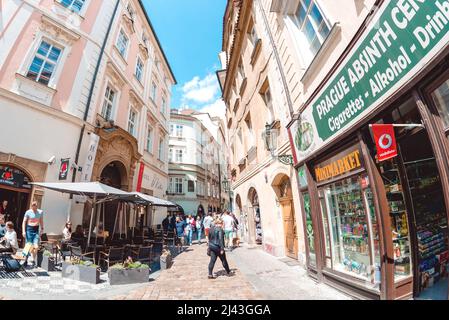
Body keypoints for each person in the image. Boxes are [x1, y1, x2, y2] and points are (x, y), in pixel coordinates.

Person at [21, 201, 44, 268]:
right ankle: (26, 260)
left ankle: (33, 260)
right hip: (29, 229)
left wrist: (42, 229)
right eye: (33, 207)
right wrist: (23, 231)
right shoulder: (28, 212)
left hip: (36, 229)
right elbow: (24, 222)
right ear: (31, 206)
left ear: (37, 206)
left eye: (35, 207)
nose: (34, 208)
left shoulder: (40, 212)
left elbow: (41, 221)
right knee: (28, 245)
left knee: (36, 246)